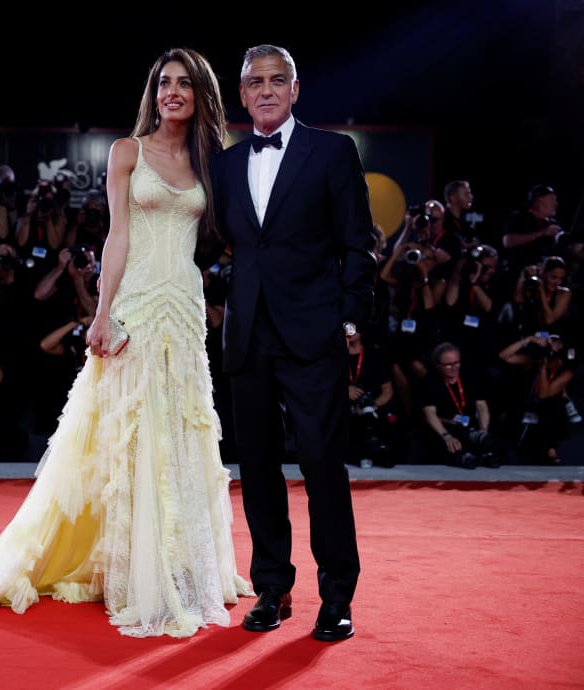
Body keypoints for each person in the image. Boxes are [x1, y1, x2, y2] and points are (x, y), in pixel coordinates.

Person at [0, 47, 253, 638]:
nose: (172, 93)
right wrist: (101, 312)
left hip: (184, 307)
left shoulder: (211, 161)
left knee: (180, 430)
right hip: (135, 305)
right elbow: (117, 237)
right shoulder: (127, 152)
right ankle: (136, 570)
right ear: (154, 92)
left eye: (184, 84)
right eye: (164, 83)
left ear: (201, 93)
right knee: (132, 433)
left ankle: (179, 562)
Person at [209, 44, 377, 642]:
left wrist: (351, 321)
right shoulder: (225, 165)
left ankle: (336, 597)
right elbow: (208, 248)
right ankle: (272, 588)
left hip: (314, 335)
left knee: (323, 467)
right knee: (256, 470)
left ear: (296, 89)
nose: (267, 91)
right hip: (248, 337)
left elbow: (360, 245)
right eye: (255, 82)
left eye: (278, 81)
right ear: (243, 93)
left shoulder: (333, 152)